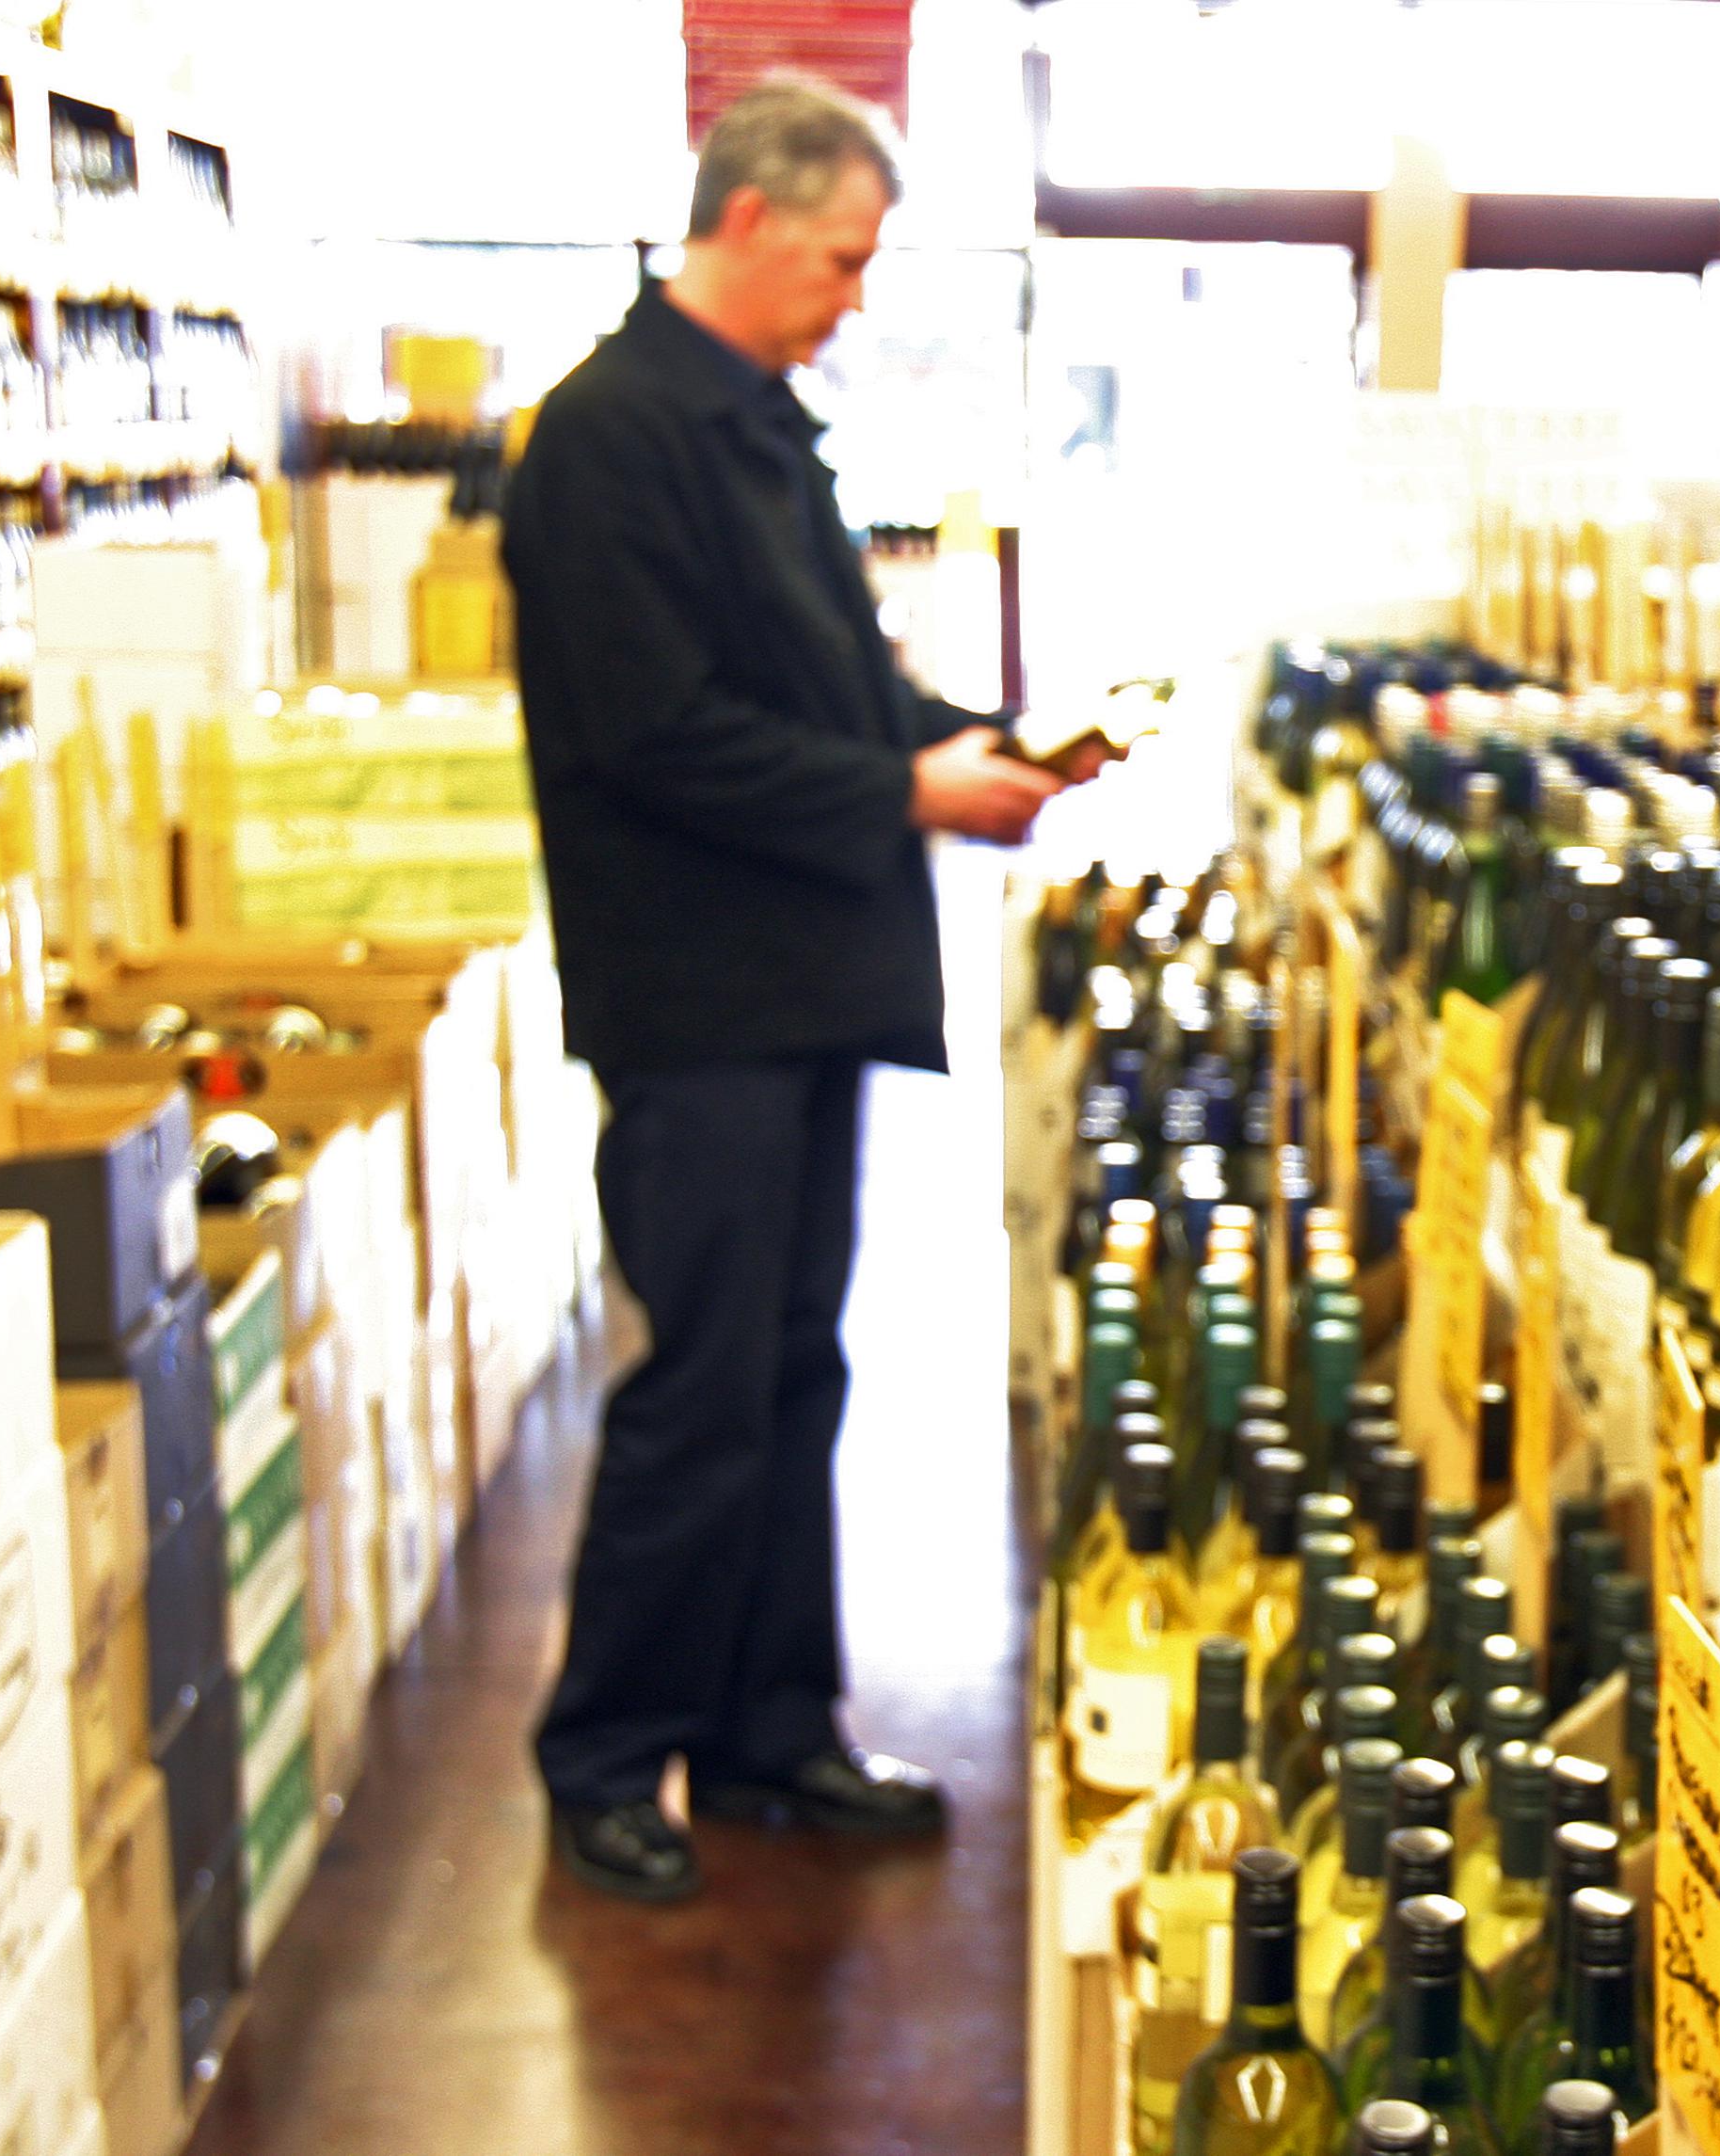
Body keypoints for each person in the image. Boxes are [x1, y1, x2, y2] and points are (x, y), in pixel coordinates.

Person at [504, 75, 1090, 1902]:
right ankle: (606, 1754)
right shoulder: (610, 437)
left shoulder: (757, 421)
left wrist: (984, 738)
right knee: (701, 1387)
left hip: (799, 982)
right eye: (840, 259)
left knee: (789, 1369)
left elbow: (825, 683)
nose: (853, 296)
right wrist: (907, 789)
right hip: (698, 999)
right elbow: (658, 731)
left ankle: (767, 1728)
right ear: (746, 220)